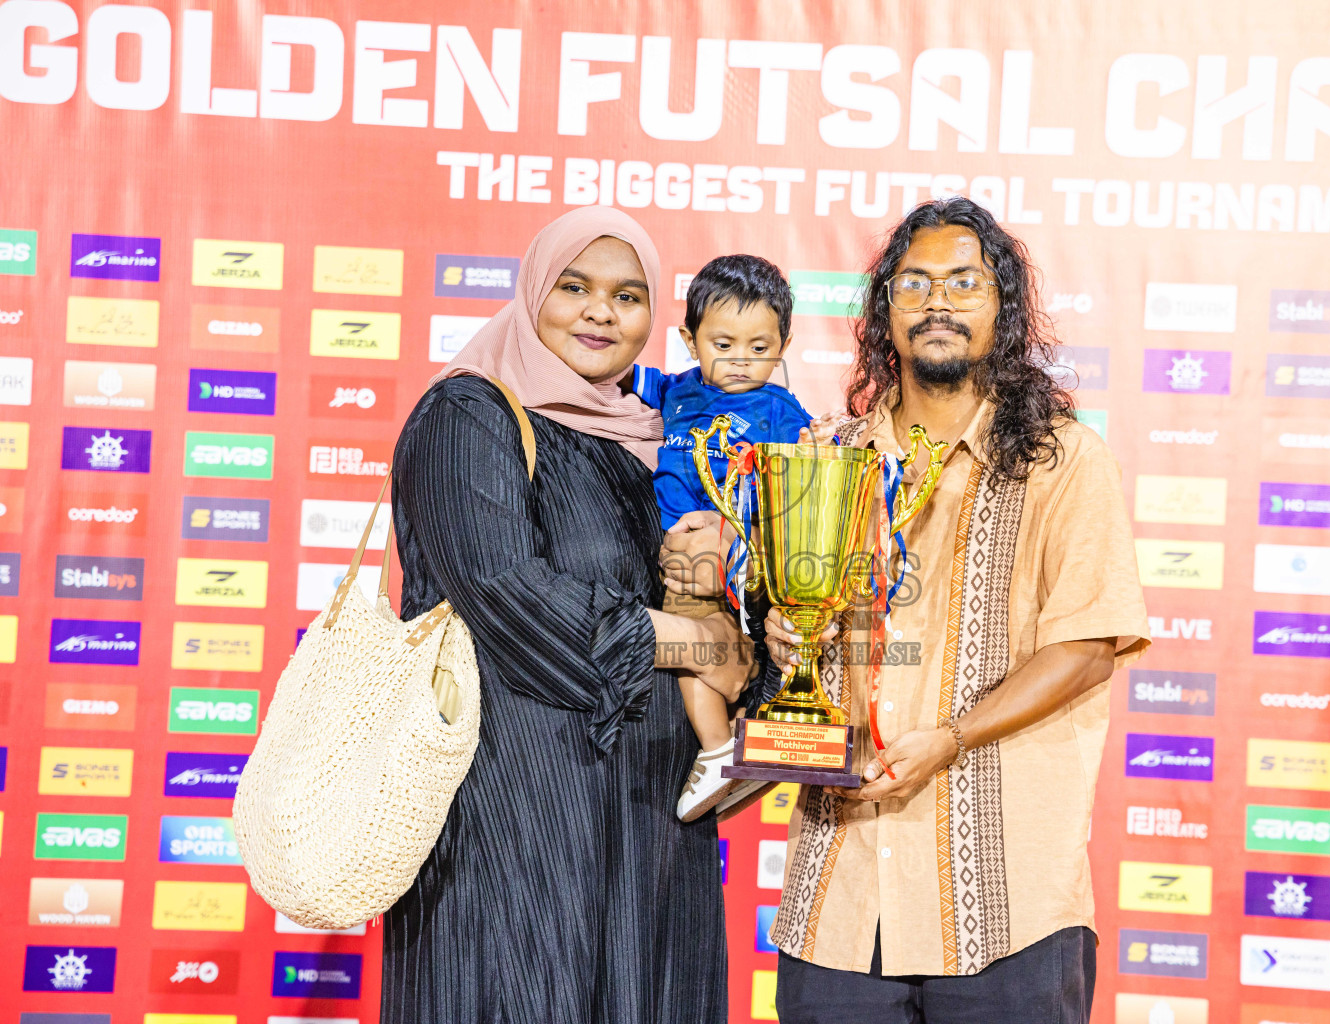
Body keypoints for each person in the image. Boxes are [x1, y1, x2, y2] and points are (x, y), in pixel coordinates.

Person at [755, 197, 1152, 1022]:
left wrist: (952, 737)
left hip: (1007, 905)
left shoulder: (1061, 460)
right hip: (840, 895)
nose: (937, 301)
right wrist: (783, 634)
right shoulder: (822, 459)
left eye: (963, 283)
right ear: (883, 312)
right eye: (914, 283)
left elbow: (1083, 646)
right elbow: (777, 641)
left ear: (1001, 308)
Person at [383, 207, 749, 1024]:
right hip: (514, 821)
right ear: (532, 294)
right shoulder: (469, 416)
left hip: (653, 828)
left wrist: (749, 646)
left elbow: (718, 622)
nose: (600, 312)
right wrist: (697, 642)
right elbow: (512, 599)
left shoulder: (660, 445)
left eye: (627, 296)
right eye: (573, 288)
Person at [628, 254, 814, 821]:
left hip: (734, 564)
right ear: (690, 340)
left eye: (760, 348)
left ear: (784, 342)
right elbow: (606, 374)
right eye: (723, 344)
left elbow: (799, 485)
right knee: (698, 654)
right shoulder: (675, 392)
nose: (740, 361)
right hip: (674, 558)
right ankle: (730, 750)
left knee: (698, 654)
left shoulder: (783, 411)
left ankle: (717, 751)